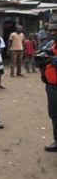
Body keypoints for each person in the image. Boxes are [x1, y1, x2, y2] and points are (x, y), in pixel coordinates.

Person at [36, 21, 57, 151]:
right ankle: (56, 141)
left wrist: (53, 60)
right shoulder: (50, 44)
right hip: (51, 87)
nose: (52, 33)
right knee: (54, 115)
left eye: (55, 30)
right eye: (50, 30)